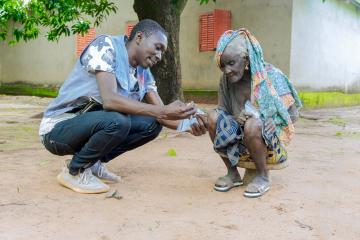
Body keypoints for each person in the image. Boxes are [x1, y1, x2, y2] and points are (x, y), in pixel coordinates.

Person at [39, 19, 207, 194]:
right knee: (118, 121)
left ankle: (92, 163)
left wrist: (189, 123)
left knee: (151, 125)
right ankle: (75, 171)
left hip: (92, 124)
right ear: (140, 37)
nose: (159, 56)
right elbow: (110, 100)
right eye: (158, 47)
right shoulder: (106, 46)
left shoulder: (143, 73)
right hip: (57, 129)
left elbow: (161, 115)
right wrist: (163, 110)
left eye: (162, 52)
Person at [207, 28, 302, 198]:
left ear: (245, 58)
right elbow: (223, 113)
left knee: (253, 124)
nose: (226, 70)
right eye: (223, 65)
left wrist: (274, 122)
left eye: (231, 63)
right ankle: (232, 173)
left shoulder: (271, 76)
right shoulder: (226, 81)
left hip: (270, 145)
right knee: (212, 117)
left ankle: (263, 176)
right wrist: (237, 118)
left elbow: (293, 115)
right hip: (240, 140)